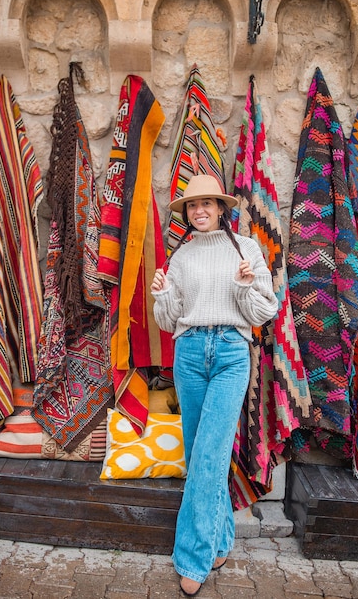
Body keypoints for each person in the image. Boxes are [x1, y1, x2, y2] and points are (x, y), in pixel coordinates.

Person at [150, 174, 278, 597]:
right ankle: (221, 540)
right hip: (188, 352)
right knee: (199, 452)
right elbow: (169, 322)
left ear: (222, 208)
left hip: (229, 353)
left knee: (209, 453)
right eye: (192, 205)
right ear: (186, 213)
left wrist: (244, 286)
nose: (199, 210)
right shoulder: (181, 256)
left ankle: (192, 557)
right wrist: (163, 296)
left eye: (207, 203)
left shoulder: (246, 249)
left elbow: (264, 310)